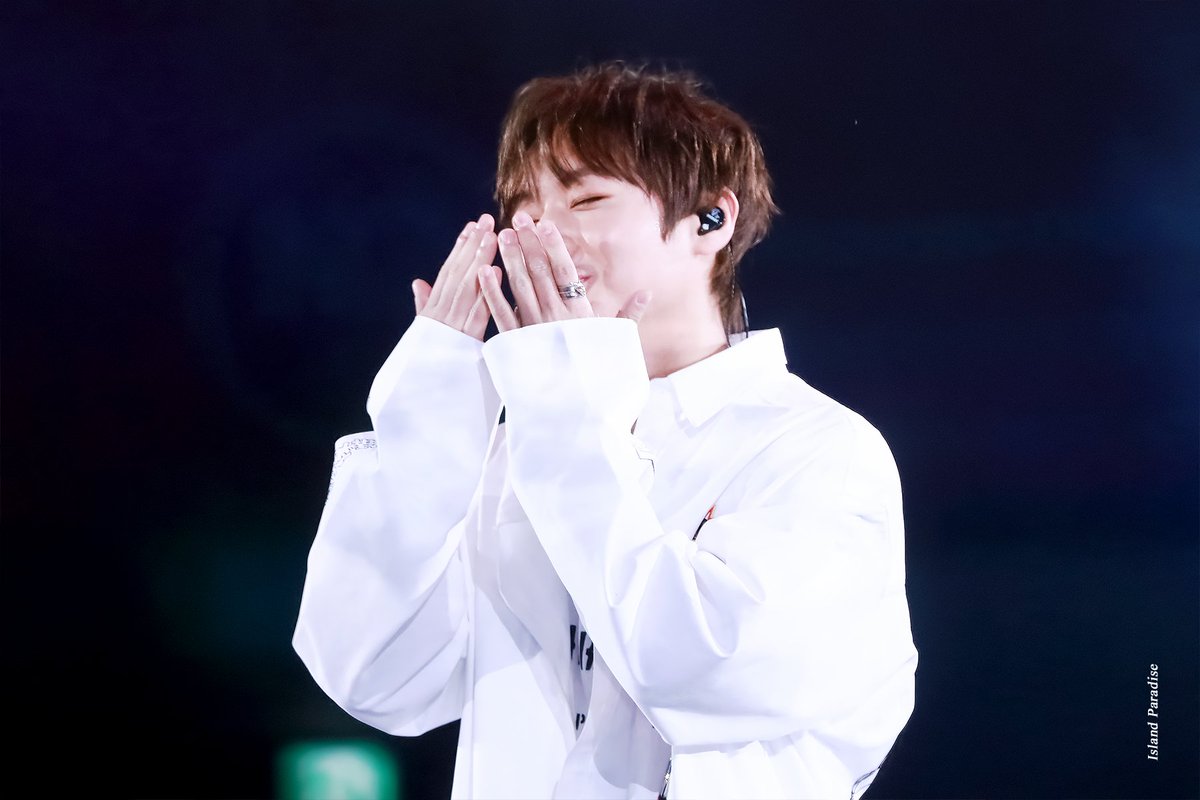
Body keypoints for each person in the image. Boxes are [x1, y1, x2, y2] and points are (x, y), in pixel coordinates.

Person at [293, 61, 918, 799]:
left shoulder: (817, 450)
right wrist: (425, 430)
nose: (542, 233)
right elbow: (374, 677)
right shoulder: (519, 452)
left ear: (709, 220)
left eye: (586, 198)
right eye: (525, 207)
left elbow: (699, 666)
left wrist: (563, 411)